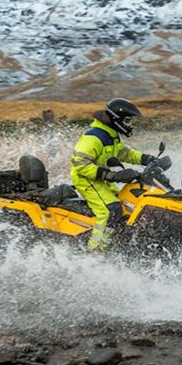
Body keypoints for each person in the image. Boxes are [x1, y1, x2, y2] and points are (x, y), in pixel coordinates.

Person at [70, 98, 157, 251]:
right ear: (117, 118)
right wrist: (110, 175)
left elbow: (124, 153)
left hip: (100, 179)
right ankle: (96, 251)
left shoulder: (111, 135)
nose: (130, 125)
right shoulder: (94, 137)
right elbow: (80, 165)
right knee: (110, 210)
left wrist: (145, 158)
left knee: (126, 203)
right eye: (128, 120)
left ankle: (118, 243)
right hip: (86, 180)